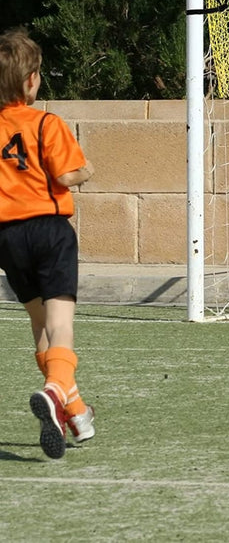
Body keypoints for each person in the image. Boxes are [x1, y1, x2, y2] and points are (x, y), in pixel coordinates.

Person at [0, 27, 95, 458]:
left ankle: (75, 411)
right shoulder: (46, 123)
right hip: (49, 231)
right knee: (61, 325)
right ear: (32, 80)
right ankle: (56, 389)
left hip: (7, 237)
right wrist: (86, 171)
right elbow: (66, 174)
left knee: (40, 325)